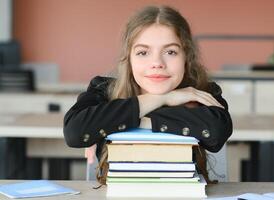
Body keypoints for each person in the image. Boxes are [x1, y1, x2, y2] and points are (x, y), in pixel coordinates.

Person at [63, 5, 232, 183]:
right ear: (129, 59)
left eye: (170, 52)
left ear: (186, 58)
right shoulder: (103, 89)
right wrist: (163, 98)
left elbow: (217, 131)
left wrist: (127, 119)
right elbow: (75, 132)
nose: (157, 63)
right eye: (143, 52)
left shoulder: (201, 93)